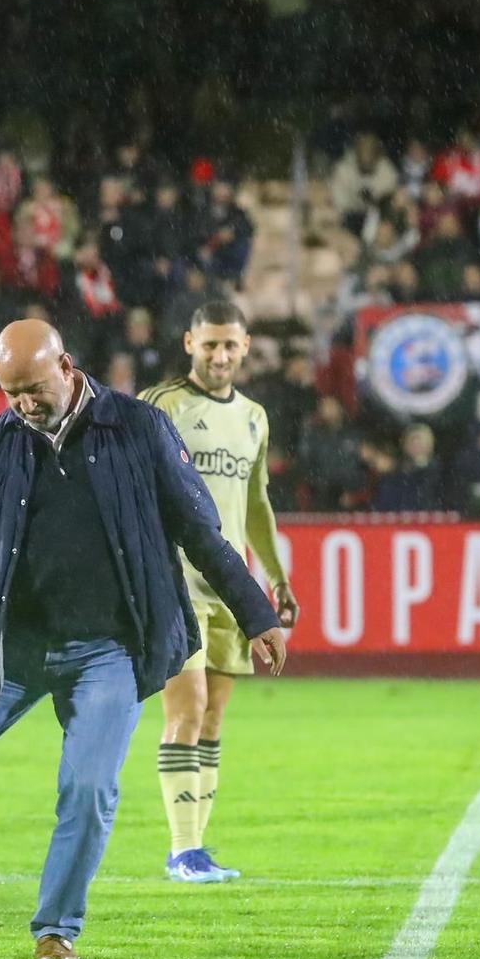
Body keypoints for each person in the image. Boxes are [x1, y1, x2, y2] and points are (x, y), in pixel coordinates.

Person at [0, 321, 286, 959]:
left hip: (109, 648)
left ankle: (56, 928)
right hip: (11, 641)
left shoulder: (139, 428)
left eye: (33, 388)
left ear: (65, 365)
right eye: (11, 393)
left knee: (88, 788)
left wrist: (256, 613)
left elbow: (202, 531)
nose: (24, 404)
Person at [139, 301, 297, 883]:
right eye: (210, 345)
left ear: (247, 346)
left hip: (230, 584)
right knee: (186, 709)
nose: (220, 355)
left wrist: (276, 577)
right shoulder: (162, 406)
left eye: (230, 345)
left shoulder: (254, 417)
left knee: (213, 718)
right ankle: (182, 850)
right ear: (188, 343)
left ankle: (197, 847)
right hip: (174, 581)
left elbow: (257, 505)